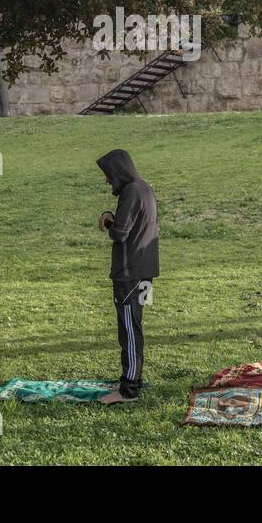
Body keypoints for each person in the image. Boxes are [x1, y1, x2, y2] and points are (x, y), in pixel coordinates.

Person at [95, 149, 158, 405]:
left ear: (118, 171)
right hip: (145, 270)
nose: (107, 180)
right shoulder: (144, 188)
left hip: (130, 273)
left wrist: (108, 221)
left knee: (130, 330)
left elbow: (119, 233)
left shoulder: (131, 191)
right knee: (135, 326)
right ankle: (133, 379)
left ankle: (128, 390)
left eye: (109, 175)